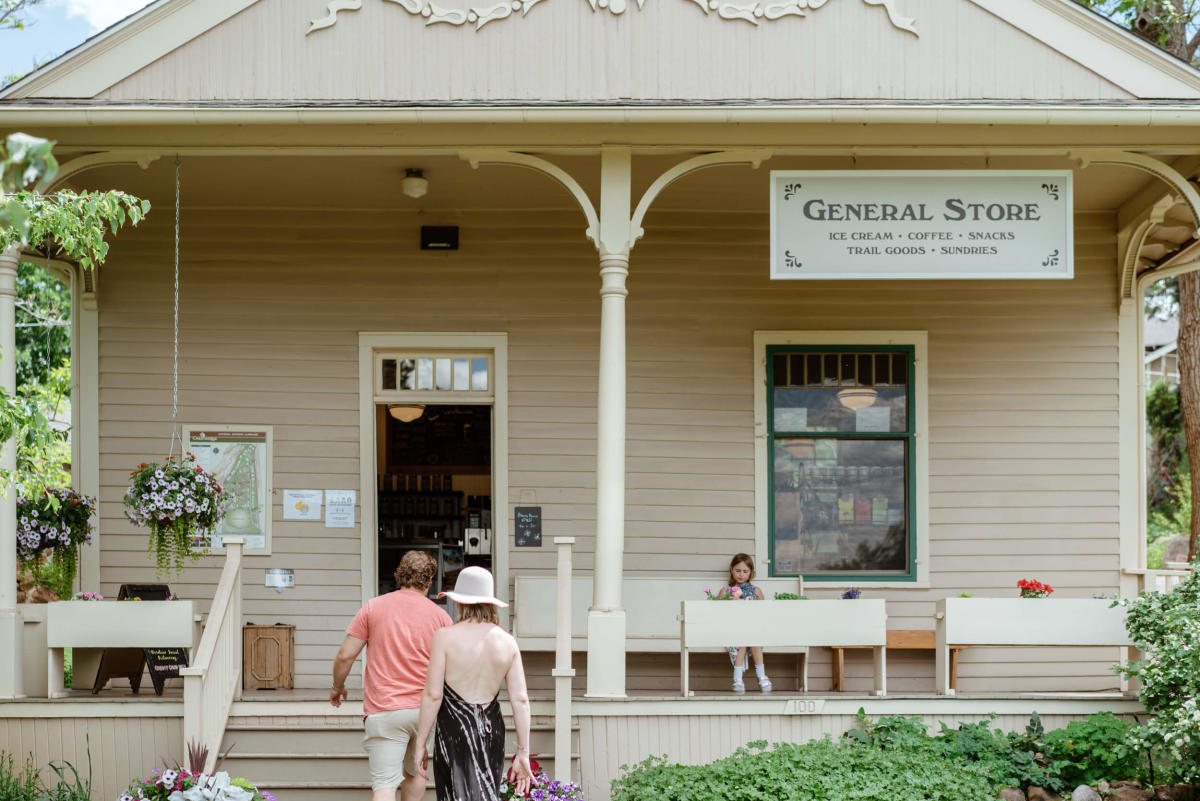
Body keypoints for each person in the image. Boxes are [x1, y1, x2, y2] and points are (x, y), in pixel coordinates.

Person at [331, 550, 453, 801]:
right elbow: (451, 666)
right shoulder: (441, 616)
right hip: (424, 711)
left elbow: (345, 655)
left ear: (400, 575)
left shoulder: (374, 607)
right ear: (429, 580)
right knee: (416, 774)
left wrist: (337, 686)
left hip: (384, 709)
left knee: (385, 784)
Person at [415, 566, 535, 801]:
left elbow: (433, 695)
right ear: (490, 602)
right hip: (492, 727)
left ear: (459, 601)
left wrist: (421, 743)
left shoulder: (444, 637)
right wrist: (523, 752)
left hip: (453, 729)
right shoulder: (507, 642)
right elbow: (520, 700)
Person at [718, 552, 772, 694]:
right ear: (731, 569)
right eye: (738, 570)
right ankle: (738, 679)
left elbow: (764, 613)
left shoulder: (756, 591)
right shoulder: (725, 592)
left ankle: (761, 676)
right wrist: (732, 600)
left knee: (751, 636)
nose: (741, 575)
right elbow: (718, 614)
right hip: (732, 629)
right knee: (742, 636)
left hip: (754, 629)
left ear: (751, 573)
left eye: (745, 571)